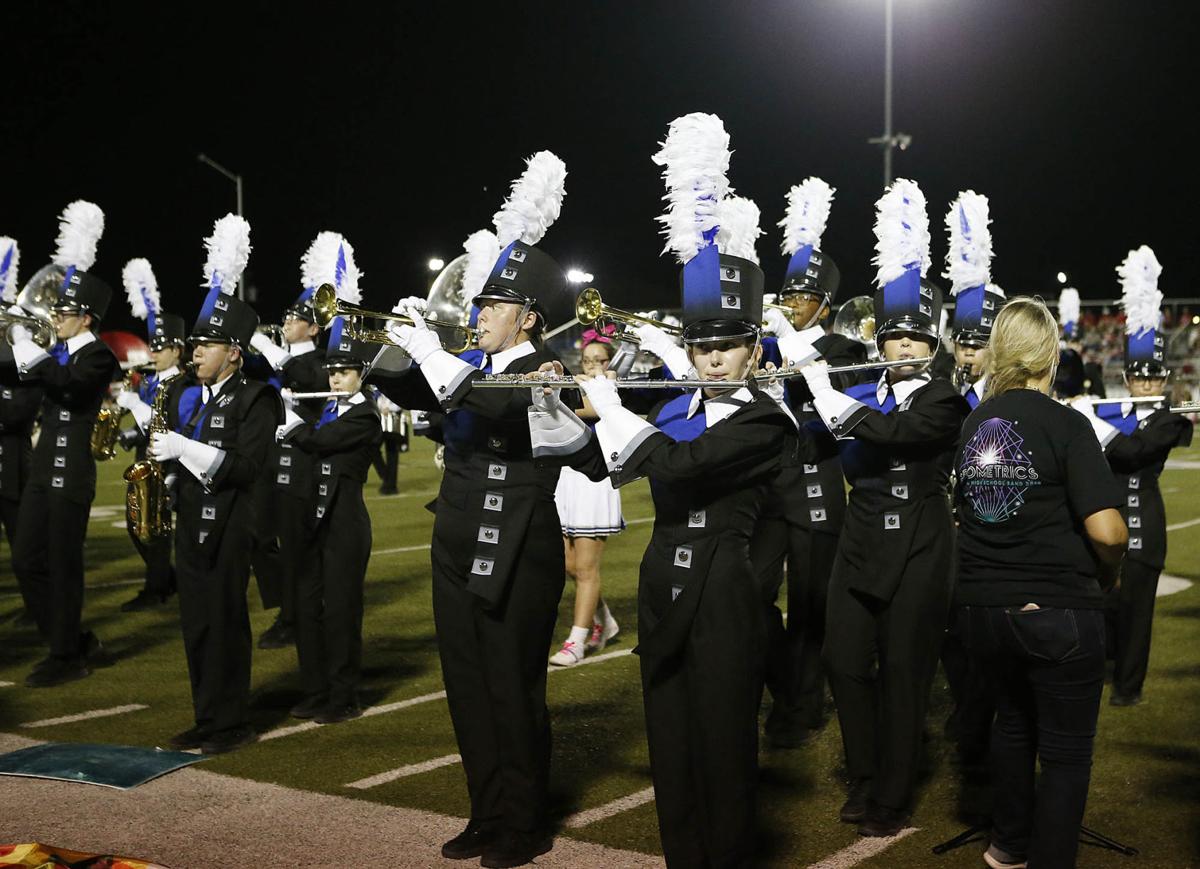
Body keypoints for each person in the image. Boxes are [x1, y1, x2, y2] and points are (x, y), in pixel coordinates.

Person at [531, 115, 800, 866]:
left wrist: (616, 407)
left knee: (722, 750)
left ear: (753, 347)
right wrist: (559, 409)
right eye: (703, 346)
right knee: (673, 751)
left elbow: (677, 468)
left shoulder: (765, 419)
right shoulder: (677, 404)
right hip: (663, 583)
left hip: (726, 592)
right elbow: (605, 463)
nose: (713, 360)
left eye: (727, 347)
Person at [371, 151, 573, 868]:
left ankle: (526, 820)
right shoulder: (468, 365)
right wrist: (410, 335)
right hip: (454, 535)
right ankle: (486, 810)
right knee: (465, 684)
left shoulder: (539, 369)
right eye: (480, 302)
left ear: (530, 318)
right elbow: (397, 384)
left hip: (519, 542)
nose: (480, 313)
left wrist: (435, 353)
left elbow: (486, 400)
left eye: (494, 305)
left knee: (512, 686)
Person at [800, 180, 970, 836]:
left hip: (922, 546)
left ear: (931, 342)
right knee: (844, 660)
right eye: (892, 337)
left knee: (904, 672)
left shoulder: (943, 399)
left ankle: (892, 794)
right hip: (861, 538)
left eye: (912, 339)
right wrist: (800, 388)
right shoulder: (865, 388)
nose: (900, 347)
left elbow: (898, 437)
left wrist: (830, 397)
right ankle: (864, 774)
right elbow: (815, 438)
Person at [953, 296, 1127, 869]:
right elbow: (1107, 531)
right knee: (1067, 753)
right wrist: (1111, 573)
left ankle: (1008, 844)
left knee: (1013, 725)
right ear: (1049, 353)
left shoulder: (977, 422)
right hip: (1054, 610)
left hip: (982, 610)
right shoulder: (1067, 423)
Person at [150, 215, 282, 755]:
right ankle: (206, 717)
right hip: (190, 521)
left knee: (225, 625)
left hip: (231, 525)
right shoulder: (185, 393)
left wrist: (186, 450)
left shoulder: (256, 397)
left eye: (205, 346)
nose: (194, 353)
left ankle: (230, 722)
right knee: (196, 627)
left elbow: (248, 467)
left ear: (233, 351)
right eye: (194, 345)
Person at [755, 176, 863, 747]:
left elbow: (819, 386)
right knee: (749, 593)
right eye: (787, 294)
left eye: (802, 297)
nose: (790, 304)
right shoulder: (768, 343)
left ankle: (803, 705)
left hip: (816, 484)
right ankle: (785, 686)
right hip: (767, 486)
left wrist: (781, 336)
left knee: (810, 605)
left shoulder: (844, 349)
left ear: (824, 304)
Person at [7, 201, 119, 687]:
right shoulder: (50, 350)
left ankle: (65, 653)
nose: (55, 314)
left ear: (86, 317)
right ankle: (68, 639)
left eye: (65, 310)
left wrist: (28, 351)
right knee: (24, 559)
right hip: (40, 471)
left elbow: (70, 386)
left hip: (71, 471)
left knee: (63, 563)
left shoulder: (99, 356)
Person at [1077, 246, 1192, 707]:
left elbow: (1134, 452)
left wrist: (1097, 424)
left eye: (1154, 377)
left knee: (1137, 608)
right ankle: (1106, 668)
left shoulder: (1171, 420)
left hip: (1145, 516)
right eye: (1139, 377)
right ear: (1127, 378)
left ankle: (1129, 686)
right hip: (1108, 515)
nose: (1146, 384)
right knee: (1105, 602)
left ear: (1163, 379)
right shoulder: (1117, 411)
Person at [277, 315, 381, 723]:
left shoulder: (365, 417)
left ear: (361, 374)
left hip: (345, 523)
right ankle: (315, 689)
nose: (335, 379)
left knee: (340, 611)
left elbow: (321, 443)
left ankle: (343, 695)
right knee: (307, 608)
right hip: (311, 521)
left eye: (344, 373)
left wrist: (289, 422)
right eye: (333, 373)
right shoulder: (324, 409)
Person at [249, 235, 340, 650]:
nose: (286, 322)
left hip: (303, 462)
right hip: (271, 460)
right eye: (285, 316)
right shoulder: (277, 357)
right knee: (261, 535)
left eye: (295, 317)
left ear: (314, 328)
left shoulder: (317, 361)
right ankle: (287, 606)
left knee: (299, 543)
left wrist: (276, 354)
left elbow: (312, 382)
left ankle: (296, 614)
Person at [547, 326, 623, 667]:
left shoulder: (611, 384)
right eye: (588, 360)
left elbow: (594, 411)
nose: (592, 365)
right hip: (567, 476)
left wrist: (555, 408)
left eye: (599, 360)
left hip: (596, 479)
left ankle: (576, 641)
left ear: (611, 362)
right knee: (565, 564)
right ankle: (603, 620)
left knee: (587, 567)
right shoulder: (575, 381)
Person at [114, 259, 187, 610]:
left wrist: (132, 403)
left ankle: (157, 588)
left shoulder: (181, 382)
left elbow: (166, 423)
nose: (152, 352)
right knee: (135, 525)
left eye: (160, 348)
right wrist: (128, 434)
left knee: (155, 529)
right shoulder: (151, 380)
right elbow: (145, 426)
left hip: (168, 462)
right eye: (152, 347)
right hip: (144, 460)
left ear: (176, 350)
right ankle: (165, 579)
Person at [0, 238, 44, 579]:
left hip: (13, 467)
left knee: (25, 548)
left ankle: (37, 607)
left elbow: (18, 417)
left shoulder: (24, 371)